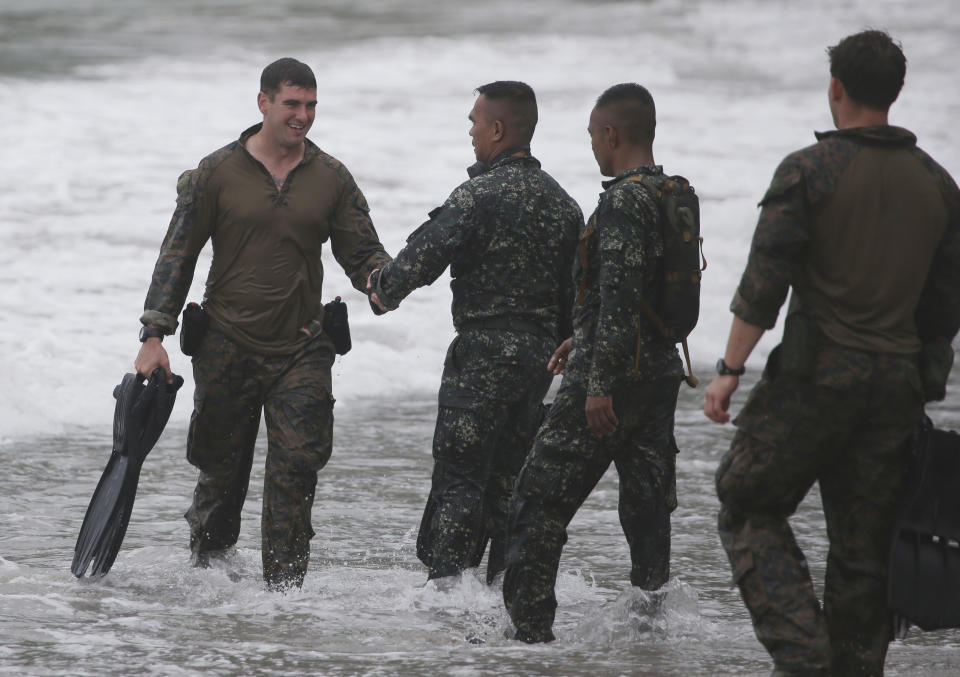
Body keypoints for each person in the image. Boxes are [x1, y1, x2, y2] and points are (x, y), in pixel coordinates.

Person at [703, 31, 960, 676]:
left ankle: (806, 657)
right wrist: (919, 377)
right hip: (896, 386)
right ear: (894, 93)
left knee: (747, 500)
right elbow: (944, 305)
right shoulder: (938, 185)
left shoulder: (808, 170)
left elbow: (765, 283)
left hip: (815, 378)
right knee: (864, 548)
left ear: (836, 88)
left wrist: (729, 373)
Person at [134, 57, 392, 590]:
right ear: (264, 103)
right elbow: (177, 255)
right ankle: (210, 576)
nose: (303, 116)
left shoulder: (331, 177)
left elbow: (363, 252)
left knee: (296, 468)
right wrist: (154, 334)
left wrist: (384, 282)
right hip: (225, 342)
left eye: (311, 105)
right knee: (222, 474)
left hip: (302, 347)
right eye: (292, 104)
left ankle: (284, 596)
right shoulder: (216, 173)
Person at [367, 81, 582, 584]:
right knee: (510, 481)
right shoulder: (565, 206)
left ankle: (447, 590)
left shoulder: (476, 195)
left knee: (461, 477)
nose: (470, 133)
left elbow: (419, 261)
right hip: (537, 363)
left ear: (498, 129)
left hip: (481, 357)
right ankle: (503, 590)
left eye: (474, 122)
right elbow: (575, 302)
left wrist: (382, 289)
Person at [501, 83, 687, 643]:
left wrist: (598, 382)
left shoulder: (624, 200)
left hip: (612, 379)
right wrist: (578, 338)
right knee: (648, 508)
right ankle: (650, 628)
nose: (591, 146)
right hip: (658, 374)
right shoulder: (674, 193)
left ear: (611, 134)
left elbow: (624, 296)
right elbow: (646, 295)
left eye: (591, 135)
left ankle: (527, 634)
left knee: (535, 503)